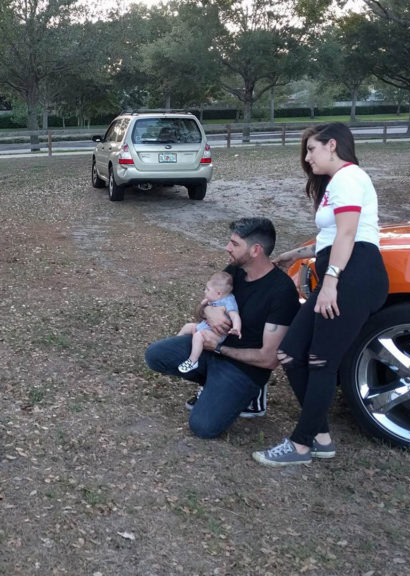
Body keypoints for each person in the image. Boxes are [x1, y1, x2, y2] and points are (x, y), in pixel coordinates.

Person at [254, 123, 388, 466]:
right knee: (290, 353)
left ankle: (301, 445)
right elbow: (331, 238)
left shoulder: (348, 177)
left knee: (320, 361)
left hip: (353, 274)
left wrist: (330, 283)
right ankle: (321, 436)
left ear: (332, 145)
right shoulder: (337, 183)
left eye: (311, 149)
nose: (307, 157)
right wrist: (295, 255)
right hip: (344, 269)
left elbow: (348, 236)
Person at [145, 217, 300, 438]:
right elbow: (203, 306)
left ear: (256, 250)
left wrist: (218, 348)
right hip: (211, 351)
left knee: (202, 427)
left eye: (235, 244)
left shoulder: (281, 291)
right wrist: (207, 311)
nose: (228, 248)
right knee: (155, 355)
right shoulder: (235, 271)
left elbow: (269, 359)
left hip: (244, 368)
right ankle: (210, 384)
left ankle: (250, 395)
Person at [176, 270, 241, 374]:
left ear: (219, 293)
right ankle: (176, 343)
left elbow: (235, 316)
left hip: (216, 334)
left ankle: (193, 361)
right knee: (187, 326)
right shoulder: (215, 297)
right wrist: (205, 303)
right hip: (205, 326)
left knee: (198, 336)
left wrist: (236, 328)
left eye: (207, 289)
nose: (205, 291)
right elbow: (203, 305)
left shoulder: (229, 302)